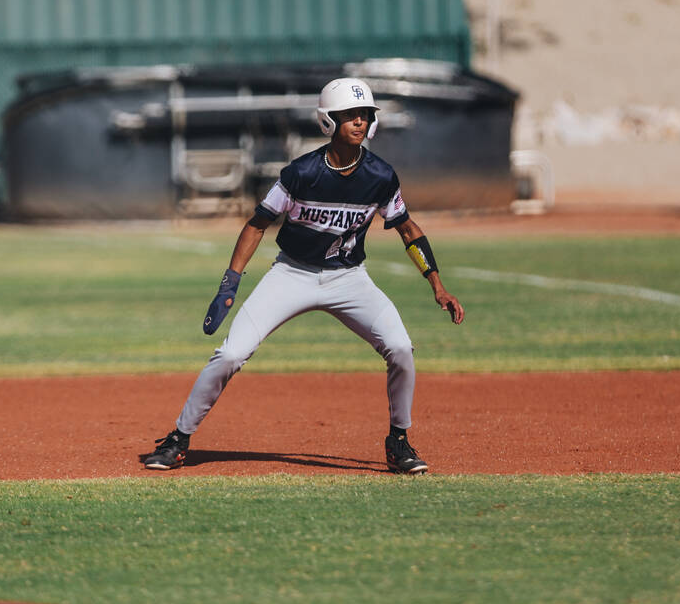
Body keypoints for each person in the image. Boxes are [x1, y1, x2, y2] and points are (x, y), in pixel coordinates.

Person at [143, 77, 465, 474]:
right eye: (350, 115)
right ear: (328, 121)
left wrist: (438, 285)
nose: (360, 122)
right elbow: (257, 225)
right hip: (291, 275)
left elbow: (408, 230)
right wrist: (231, 282)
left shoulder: (381, 176)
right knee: (230, 354)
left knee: (400, 348)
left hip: (349, 279)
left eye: (365, 115)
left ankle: (399, 441)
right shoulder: (301, 173)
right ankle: (178, 439)